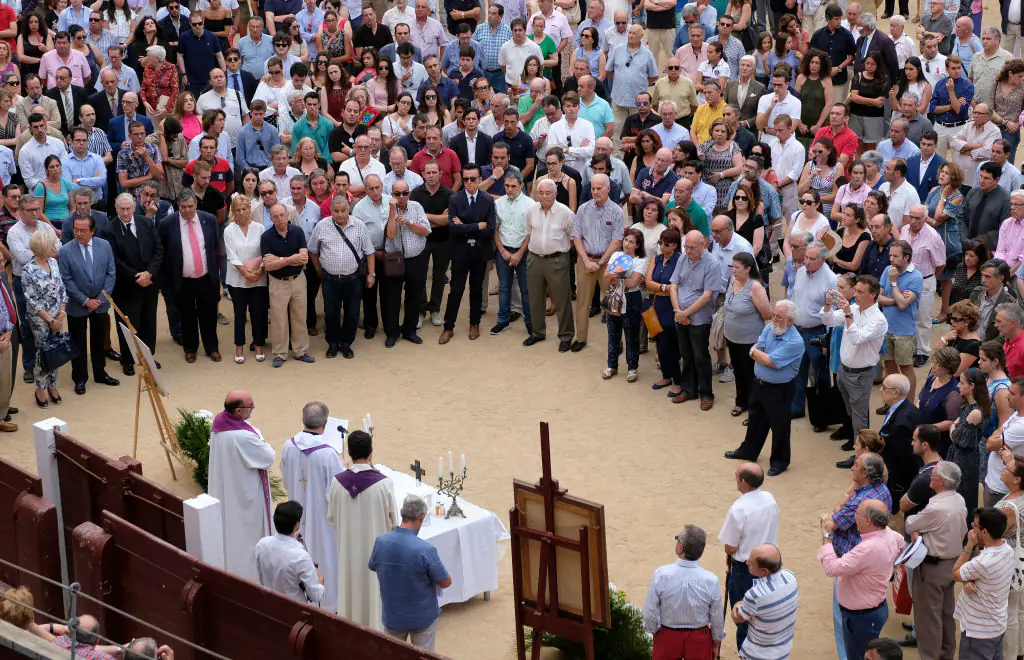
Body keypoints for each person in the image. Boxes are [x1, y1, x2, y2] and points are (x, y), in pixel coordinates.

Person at [277, 401, 344, 611]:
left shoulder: (289, 446)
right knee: (327, 555)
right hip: (322, 518)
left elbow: (287, 479)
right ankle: (330, 602)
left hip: (297, 512)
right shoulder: (328, 453)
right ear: (325, 424)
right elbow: (337, 491)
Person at [818, 499, 905, 659]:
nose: (854, 517)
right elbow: (901, 545)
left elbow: (832, 568)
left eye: (856, 513)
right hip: (871, 610)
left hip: (861, 618)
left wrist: (827, 535)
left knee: (859, 656)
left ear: (867, 520)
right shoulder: (889, 534)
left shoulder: (867, 549)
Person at [327, 429, 397, 628]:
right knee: (375, 595)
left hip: (348, 552)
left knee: (350, 594)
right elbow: (393, 522)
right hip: (376, 552)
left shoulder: (337, 482)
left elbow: (332, 517)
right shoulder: (384, 484)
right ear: (371, 451)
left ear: (348, 452)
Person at [208, 389, 276, 582]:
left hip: (229, 485)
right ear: (238, 411)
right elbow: (268, 457)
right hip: (244, 493)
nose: (253, 408)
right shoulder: (242, 437)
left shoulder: (220, 424)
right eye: (250, 406)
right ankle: (252, 578)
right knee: (248, 536)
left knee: (231, 533)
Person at [369, 494, 450, 651]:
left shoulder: (380, 542)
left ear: (401, 512)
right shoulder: (425, 549)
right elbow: (445, 582)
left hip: (393, 615)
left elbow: (373, 565)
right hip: (422, 617)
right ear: (422, 517)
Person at [716, 462, 780, 652]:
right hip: (771, 563)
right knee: (767, 612)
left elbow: (730, 546)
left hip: (746, 570)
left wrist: (730, 551)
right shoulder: (769, 498)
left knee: (744, 618)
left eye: (736, 476)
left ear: (743, 482)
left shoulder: (739, 508)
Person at [641, 524, 725, 659]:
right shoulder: (711, 580)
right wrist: (716, 642)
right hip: (699, 639)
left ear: (681, 548)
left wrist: (655, 631)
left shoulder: (662, 574)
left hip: (668, 635)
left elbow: (649, 612)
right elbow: (717, 617)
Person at [102, 193, 162, 377]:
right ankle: (128, 359)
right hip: (127, 286)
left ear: (135, 207)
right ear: (116, 208)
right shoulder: (109, 230)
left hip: (149, 283)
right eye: (122, 209)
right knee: (128, 325)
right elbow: (115, 260)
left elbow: (159, 250)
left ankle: (148, 356)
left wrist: (149, 273)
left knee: (149, 321)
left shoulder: (145, 223)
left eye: (129, 208)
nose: (126, 212)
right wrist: (137, 276)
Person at [58, 213, 116, 396]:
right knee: (78, 343)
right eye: (76, 230)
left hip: (100, 304)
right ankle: (80, 378)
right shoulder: (66, 250)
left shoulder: (104, 246)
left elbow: (111, 273)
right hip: (78, 305)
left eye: (83, 230)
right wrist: (85, 300)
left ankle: (100, 373)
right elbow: (66, 280)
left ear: (92, 231)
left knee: (99, 340)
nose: (79, 234)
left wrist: (100, 299)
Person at [440, 163, 494, 344]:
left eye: (473, 179)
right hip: (460, 252)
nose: (469, 183)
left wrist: (464, 226)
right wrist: (477, 225)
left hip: (480, 252)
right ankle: (449, 327)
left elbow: (490, 229)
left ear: (480, 180)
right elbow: (453, 228)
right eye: (465, 179)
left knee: (477, 290)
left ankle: (475, 324)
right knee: (455, 290)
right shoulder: (455, 199)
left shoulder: (488, 200)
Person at [953, 506, 1016, 658]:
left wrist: (969, 545)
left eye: (975, 527)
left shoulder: (983, 562)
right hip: (997, 626)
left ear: (985, 532)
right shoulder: (1007, 549)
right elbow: (983, 576)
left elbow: (955, 573)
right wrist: (968, 581)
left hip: (978, 633)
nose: (973, 531)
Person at [669, 230, 722, 410]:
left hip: (699, 317)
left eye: (692, 247)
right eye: (686, 246)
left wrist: (686, 313)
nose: (688, 250)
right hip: (680, 313)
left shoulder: (712, 264)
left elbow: (707, 295)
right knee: (686, 354)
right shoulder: (683, 258)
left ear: (703, 245)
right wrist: (677, 310)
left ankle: (706, 393)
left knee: (700, 356)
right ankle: (688, 389)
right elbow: (674, 285)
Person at [260, 202, 314, 367]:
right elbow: (268, 266)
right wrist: (291, 259)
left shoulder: (297, 232)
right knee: (278, 319)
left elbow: (303, 258)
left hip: (298, 279)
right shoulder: (266, 237)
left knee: (299, 317)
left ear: (287, 215)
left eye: (282, 215)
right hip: (278, 283)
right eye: (275, 217)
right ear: (271, 218)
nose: (280, 219)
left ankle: (300, 351)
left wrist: (279, 260)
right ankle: (280, 354)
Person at [524, 179, 575, 352]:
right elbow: (529, 233)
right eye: (541, 193)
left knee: (562, 300)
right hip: (534, 259)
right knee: (536, 298)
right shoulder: (531, 211)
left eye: (548, 193)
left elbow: (572, 236)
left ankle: (566, 336)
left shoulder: (565, 212)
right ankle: (538, 332)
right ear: (537, 194)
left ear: (555, 194)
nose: (544, 196)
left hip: (557, 260)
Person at [22, 228, 66, 409]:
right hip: (41, 321)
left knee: (55, 351)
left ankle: (52, 385)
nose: (56, 247)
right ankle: (40, 387)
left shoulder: (54, 264)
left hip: (58, 316)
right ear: (43, 246)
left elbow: (62, 288)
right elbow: (31, 301)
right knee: (43, 352)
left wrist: (61, 313)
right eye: (53, 244)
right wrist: (51, 320)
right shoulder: (28, 270)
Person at [731, 544, 799, 660]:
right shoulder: (790, 576)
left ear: (764, 571)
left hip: (757, 655)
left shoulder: (754, 595)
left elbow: (739, 617)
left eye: (750, 562)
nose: (747, 562)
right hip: (783, 652)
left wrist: (737, 606)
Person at [254, 500, 325, 606]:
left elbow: (261, 578)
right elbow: (315, 596)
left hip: (268, 605)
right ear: (297, 525)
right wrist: (320, 580)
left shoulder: (262, 544)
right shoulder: (300, 557)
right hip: (294, 612)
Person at [222, 196, 267, 363]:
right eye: (238, 210)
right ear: (233, 212)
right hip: (237, 280)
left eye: (244, 209)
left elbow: (264, 252)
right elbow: (231, 255)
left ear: (249, 209)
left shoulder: (260, 228)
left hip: (258, 278)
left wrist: (258, 271)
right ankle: (239, 346)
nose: (242, 213)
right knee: (240, 314)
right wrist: (245, 273)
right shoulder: (229, 230)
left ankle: (259, 344)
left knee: (258, 313)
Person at [880, 240, 923, 400]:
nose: (891, 259)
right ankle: (893, 400)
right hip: (886, 328)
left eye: (895, 256)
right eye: (890, 255)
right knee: (889, 365)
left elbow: (904, 304)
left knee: (906, 369)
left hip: (904, 331)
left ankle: (909, 404)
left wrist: (893, 283)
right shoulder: (887, 270)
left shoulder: (916, 277)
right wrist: (895, 300)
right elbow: (877, 297)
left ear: (907, 257)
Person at [948, 366, 991, 525]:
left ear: (972, 386)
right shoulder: (967, 406)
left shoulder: (975, 413)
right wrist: (955, 426)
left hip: (965, 461)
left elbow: (956, 437)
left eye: (962, 383)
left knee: (964, 495)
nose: (958, 386)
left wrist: (954, 426)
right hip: (959, 456)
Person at [996, 456, 1024, 659]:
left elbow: (997, 532)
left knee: (1009, 611)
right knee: (1019, 609)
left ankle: (1009, 655)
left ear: (1018, 479)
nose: (1004, 468)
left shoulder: (1011, 506)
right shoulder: (1017, 496)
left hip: (1009, 561)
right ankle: (1020, 651)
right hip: (1019, 559)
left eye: (1008, 468)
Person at [970, 259, 1015, 342]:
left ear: (1001, 279)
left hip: (988, 350)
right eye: (982, 275)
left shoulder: (1009, 303)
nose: (983, 280)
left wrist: (985, 349)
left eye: (987, 277)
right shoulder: (977, 292)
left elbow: (1005, 336)